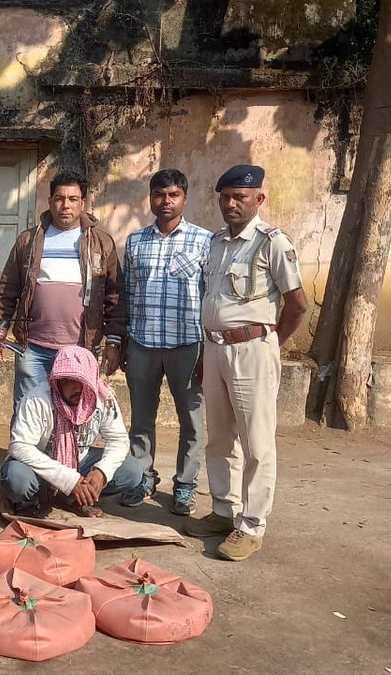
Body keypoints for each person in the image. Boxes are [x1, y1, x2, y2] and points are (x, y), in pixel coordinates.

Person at [185, 164, 309, 562]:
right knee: (220, 436)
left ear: (259, 199)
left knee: (257, 441)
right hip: (216, 349)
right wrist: (208, 352)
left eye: (240, 196)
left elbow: (297, 305)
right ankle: (224, 510)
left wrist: (269, 341)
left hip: (253, 349)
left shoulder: (273, 242)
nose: (231, 204)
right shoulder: (218, 242)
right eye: (225, 197)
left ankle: (252, 525)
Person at [0, 170, 126, 412]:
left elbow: (115, 296)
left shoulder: (101, 243)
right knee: (27, 411)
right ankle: (24, 452)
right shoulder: (29, 241)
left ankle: (64, 452)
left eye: (73, 199)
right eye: (59, 198)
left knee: (73, 413)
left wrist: (113, 342)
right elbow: (8, 289)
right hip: (32, 348)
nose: (66, 205)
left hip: (80, 348)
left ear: (83, 203)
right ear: (50, 201)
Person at [122, 169, 209, 515]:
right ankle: (142, 478)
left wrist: (208, 348)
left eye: (173, 195)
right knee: (142, 418)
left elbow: (210, 294)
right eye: (159, 194)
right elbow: (128, 293)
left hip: (187, 346)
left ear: (184, 198)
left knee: (191, 421)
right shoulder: (135, 242)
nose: (166, 201)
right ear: (150, 198)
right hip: (142, 344)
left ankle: (185, 487)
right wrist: (125, 341)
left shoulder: (205, 241)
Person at [0, 346, 143, 517]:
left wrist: (101, 472)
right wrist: (69, 480)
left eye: (83, 381)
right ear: (57, 380)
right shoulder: (36, 399)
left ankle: (78, 498)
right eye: (69, 381)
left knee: (132, 471)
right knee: (16, 478)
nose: (78, 388)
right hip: (40, 469)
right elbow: (20, 446)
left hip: (81, 465)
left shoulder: (103, 398)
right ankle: (28, 502)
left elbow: (119, 440)